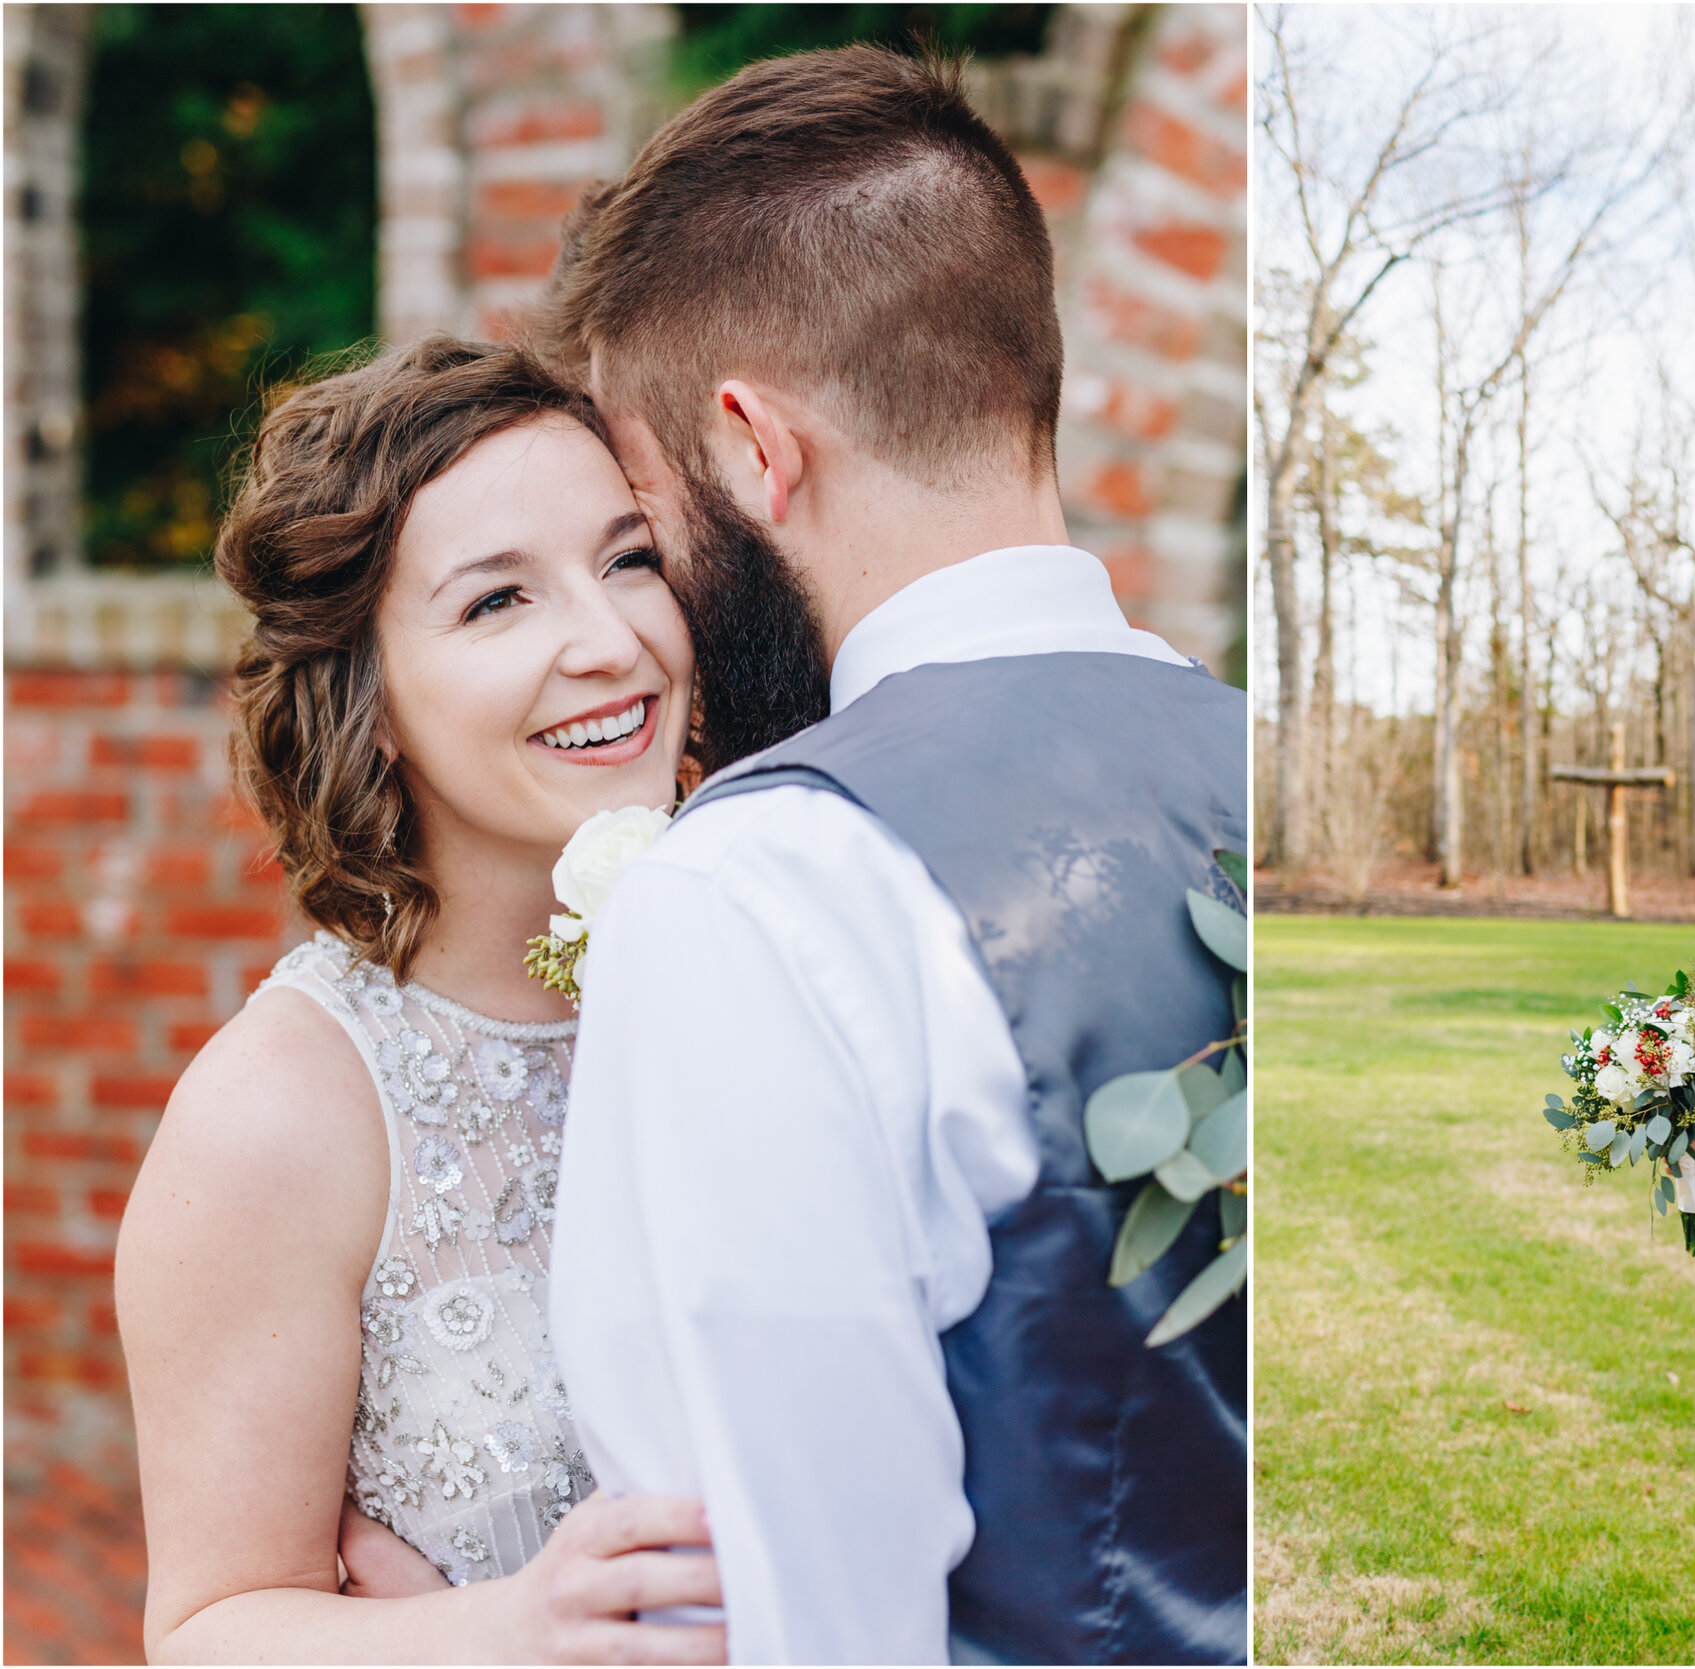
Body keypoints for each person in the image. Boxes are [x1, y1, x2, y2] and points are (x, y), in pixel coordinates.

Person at [532, 46, 1249, 1666]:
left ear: (750, 449)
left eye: (645, 523)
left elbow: (790, 1618)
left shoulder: (757, 889)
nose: (656, 598)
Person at [115, 340, 726, 1662]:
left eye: (629, 559)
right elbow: (210, 1627)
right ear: (372, 701)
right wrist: (516, 1627)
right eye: (498, 601)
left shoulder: (762, 981)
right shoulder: (281, 1113)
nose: (610, 640)